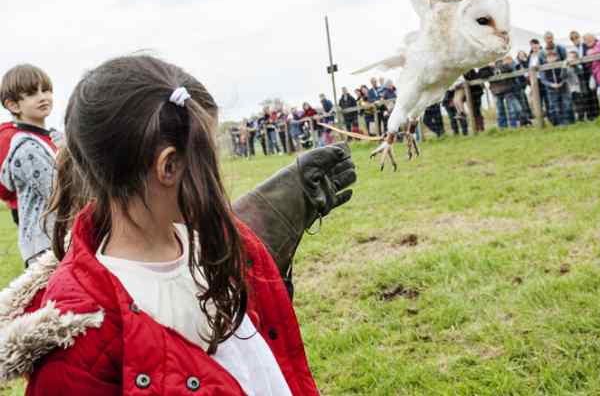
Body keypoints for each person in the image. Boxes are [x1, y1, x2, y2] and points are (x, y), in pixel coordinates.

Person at [3, 54, 356, 395]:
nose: (215, 174)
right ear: (168, 167)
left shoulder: (207, 243)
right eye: (207, 158)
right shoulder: (82, 334)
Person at [0, 64, 58, 266]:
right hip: (45, 245)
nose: (43, 97)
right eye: (32, 93)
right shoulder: (27, 148)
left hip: (58, 239)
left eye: (46, 89)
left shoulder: (53, 138)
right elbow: (57, 193)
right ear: (13, 105)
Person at [540, 50, 575, 126]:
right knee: (554, 106)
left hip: (563, 86)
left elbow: (565, 75)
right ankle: (557, 123)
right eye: (549, 57)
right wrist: (551, 85)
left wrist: (562, 82)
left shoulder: (561, 64)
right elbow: (543, 79)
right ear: (546, 58)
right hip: (551, 89)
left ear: (556, 57)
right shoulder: (544, 66)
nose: (551, 58)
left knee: (567, 104)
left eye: (553, 56)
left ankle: (569, 122)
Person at [489, 57, 522, 129]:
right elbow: (483, 75)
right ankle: (502, 128)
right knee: (500, 110)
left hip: (507, 89)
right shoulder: (487, 65)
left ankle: (513, 126)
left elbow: (509, 69)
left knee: (512, 109)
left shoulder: (503, 62)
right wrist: (488, 67)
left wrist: (502, 65)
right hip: (496, 90)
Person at [565, 49, 591, 121]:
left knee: (582, 105)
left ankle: (581, 119)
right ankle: (578, 119)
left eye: (573, 57)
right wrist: (565, 66)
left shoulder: (579, 67)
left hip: (580, 89)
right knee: (576, 105)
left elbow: (580, 73)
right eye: (569, 57)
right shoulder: (566, 68)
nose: (571, 59)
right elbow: (563, 76)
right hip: (572, 89)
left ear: (576, 59)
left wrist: (574, 65)